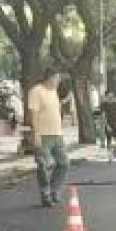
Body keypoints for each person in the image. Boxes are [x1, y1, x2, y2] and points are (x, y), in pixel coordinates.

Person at [28, 67, 70, 207]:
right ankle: (45, 195)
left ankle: (54, 190)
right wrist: (36, 134)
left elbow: (56, 111)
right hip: (43, 135)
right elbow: (33, 114)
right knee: (43, 166)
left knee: (64, 163)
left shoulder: (54, 92)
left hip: (57, 134)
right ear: (50, 78)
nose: (58, 81)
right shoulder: (36, 91)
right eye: (57, 78)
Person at [100, 90, 116, 161]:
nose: (111, 97)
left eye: (112, 96)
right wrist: (106, 125)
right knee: (109, 139)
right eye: (109, 96)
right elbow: (103, 116)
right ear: (106, 96)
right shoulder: (103, 104)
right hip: (108, 123)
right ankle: (110, 155)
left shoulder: (115, 104)